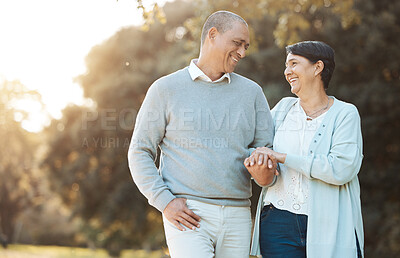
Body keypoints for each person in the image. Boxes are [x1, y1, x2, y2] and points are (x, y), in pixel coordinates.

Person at [128, 11, 277, 258]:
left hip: (238, 214)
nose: (242, 52)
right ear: (213, 35)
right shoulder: (165, 89)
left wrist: (264, 172)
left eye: (246, 46)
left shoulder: (252, 93)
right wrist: (164, 201)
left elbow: (265, 156)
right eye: (237, 43)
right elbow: (139, 151)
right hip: (187, 212)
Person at [245, 41, 364, 257]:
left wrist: (282, 157)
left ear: (318, 67)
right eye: (286, 65)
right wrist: (260, 166)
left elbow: (341, 168)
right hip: (278, 222)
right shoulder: (282, 109)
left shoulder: (345, 114)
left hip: (330, 223)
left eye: (294, 63)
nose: (287, 71)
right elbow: (260, 154)